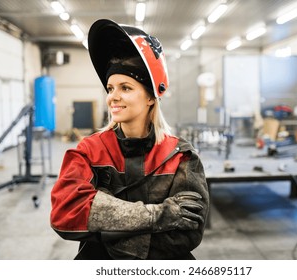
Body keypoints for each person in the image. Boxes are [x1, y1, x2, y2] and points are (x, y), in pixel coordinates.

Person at [50, 19, 209, 260]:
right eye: (110, 88)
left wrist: (103, 218)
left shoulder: (180, 155)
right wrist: (159, 215)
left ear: (150, 98)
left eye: (125, 87)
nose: (113, 97)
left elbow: (188, 233)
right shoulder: (89, 150)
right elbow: (64, 214)